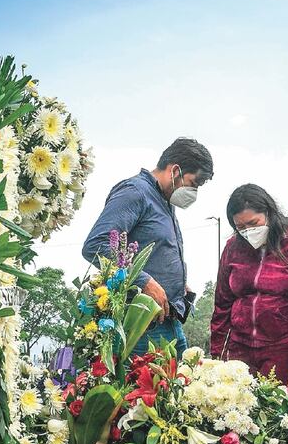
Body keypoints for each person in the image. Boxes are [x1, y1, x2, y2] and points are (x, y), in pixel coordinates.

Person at [82, 138, 213, 358]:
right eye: (193, 183)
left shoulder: (164, 200)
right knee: (142, 391)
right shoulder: (135, 192)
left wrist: (178, 283)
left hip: (170, 318)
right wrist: (144, 281)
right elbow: (97, 244)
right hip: (141, 324)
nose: (194, 192)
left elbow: (153, 249)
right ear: (175, 170)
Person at [210, 184, 288, 383]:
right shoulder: (232, 248)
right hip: (240, 354)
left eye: (253, 223)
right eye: (240, 227)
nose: (248, 231)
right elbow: (222, 306)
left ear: (269, 212)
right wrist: (217, 356)